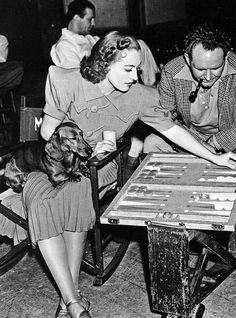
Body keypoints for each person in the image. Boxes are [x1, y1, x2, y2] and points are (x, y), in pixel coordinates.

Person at [1, 31, 236, 318]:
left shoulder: (139, 96)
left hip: (99, 166)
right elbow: (47, 132)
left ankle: (70, 303)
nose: (134, 77)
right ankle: (72, 299)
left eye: (137, 69)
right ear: (104, 62)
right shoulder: (67, 80)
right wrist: (84, 143)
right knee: (39, 201)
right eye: (127, 69)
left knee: (75, 194)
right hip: (49, 162)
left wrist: (214, 156)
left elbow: (172, 130)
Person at [50, 0, 159, 168]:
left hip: (111, 89)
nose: (93, 23)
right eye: (89, 19)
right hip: (90, 100)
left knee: (140, 44)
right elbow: (80, 80)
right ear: (76, 18)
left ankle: (150, 87)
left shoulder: (90, 38)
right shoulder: (65, 46)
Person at [144, 23, 236, 154]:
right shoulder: (171, 72)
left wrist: (216, 143)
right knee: (152, 142)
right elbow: (165, 117)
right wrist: (199, 146)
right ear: (187, 59)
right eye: (200, 69)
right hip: (191, 137)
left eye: (216, 68)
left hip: (229, 139)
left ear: (226, 58)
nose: (208, 77)